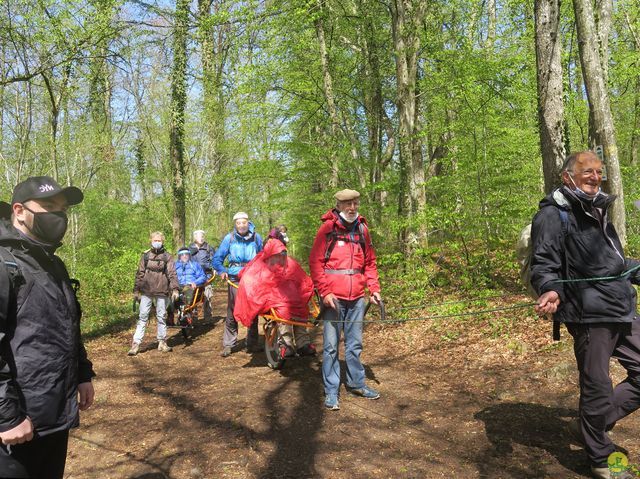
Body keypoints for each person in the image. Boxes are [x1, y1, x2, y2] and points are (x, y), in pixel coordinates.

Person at [531, 151, 640, 479]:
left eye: (598, 172)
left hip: (622, 306)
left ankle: (594, 424)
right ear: (568, 177)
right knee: (596, 386)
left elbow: (614, 265)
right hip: (589, 313)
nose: (595, 177)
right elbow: (543, 263)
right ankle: (601, 458)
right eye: (587, 172)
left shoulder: (598, 209)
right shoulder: (553, 215)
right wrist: (550, 289)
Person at [0, 176, 95, 478]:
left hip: (54, 414)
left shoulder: (54, 264)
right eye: (49, 206)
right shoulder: (4, 263)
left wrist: (82, 372)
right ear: (19, 211)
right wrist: (6, 417)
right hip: (15, 426)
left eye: (63, 208)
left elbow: (67, 323)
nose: (59, 215)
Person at [309, 189, 382, 411]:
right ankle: (331, 391)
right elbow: (315, 263)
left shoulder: (362, 229)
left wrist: (375, 288)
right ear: (339, 206)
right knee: (331, 347)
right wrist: (325, 292)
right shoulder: (327, 229)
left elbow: (370, 262)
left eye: (355, 203)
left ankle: (356, 383)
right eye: (347, 204)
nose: (352, 208)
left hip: (357, 297)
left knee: (355, 344)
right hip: (333, 299)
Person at [213, 212, 263, 357]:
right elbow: (217, 258)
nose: (241, 225)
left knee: (253, 309)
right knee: (233, 310)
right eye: (238, 223)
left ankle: (252, 343)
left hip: (252, 276)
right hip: (235, 277)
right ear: (235, 224)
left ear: (248, 223)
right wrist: (222, 270)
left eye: (244, 222)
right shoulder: (230, 238)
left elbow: (263, 256)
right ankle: (229, 344)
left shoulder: (256, 237)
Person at [264, 228, 315, 358]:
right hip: (276, 299)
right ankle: (286, 344)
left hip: (292, 296)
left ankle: (303, 343)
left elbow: (301, 278)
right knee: (284, 311)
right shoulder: (265, 265)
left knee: (301, 308)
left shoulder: (289, 263)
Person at [130, 232, 179, 356]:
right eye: (155, 240)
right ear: (151, 240)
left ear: (163, 241)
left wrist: (175, 289)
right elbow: (139, 274)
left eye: (159, 240)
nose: (157, 242)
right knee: (142, 317)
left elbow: (172, 273)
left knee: (161, 317)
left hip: (162, 291)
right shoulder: (145, 256)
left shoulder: (167, 256)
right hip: (146, 291)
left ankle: (162, 342)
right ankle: (136, 344)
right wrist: (136, 290)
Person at [189, 230, 215, 320]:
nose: (201, 238)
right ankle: (193, 318)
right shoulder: (189, 249)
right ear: (195, 237)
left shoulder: (209, 248)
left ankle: (208, 318)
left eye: (202, 236)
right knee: (193, 298)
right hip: (193, 277)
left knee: (207, 297)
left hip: (206, 276)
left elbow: (213, 261)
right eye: (199, 236)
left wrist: (212, 273)